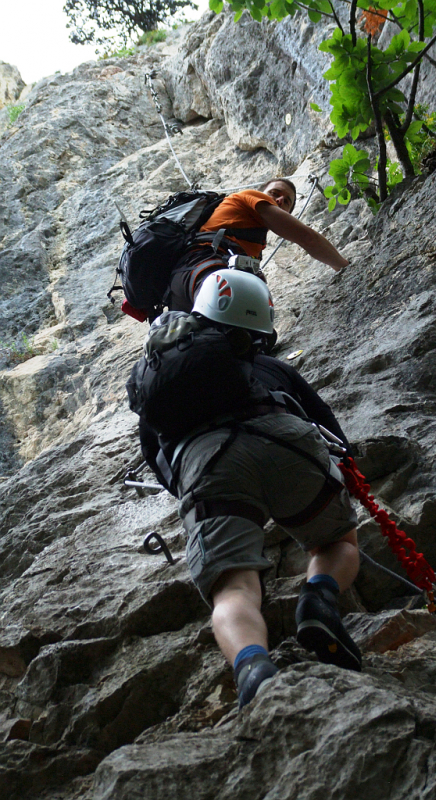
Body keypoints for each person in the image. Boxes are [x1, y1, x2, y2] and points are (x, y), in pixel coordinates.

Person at [133, 269, 361, 708]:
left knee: (234, 588)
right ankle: (318, 600)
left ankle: (254, 668)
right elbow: (331, 432)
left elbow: (159, 459)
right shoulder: (271, 366)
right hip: (286, 441)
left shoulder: (162, 377)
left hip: (208, 463)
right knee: (336, 541)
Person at [168, 179, 350, 313]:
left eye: (287, 201)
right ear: (261, 194)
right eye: (274, 193)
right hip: (206, 267)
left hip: (184, 278)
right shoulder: (250, 196)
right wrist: (344, 267)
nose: (280, 200)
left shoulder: (248, 235)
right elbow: (307, 238)